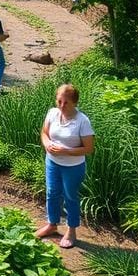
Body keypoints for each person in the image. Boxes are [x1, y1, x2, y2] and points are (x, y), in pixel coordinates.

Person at [35, 84, 95, 249]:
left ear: (75, 103)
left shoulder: (82, 121)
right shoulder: (52, 113)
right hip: (52, 162)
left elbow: (89, 149)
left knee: (70, 197)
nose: (62, 106)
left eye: (66, 103)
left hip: (73, 167)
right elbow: (44, 132)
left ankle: (71, 230)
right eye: (59, 101)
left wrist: (65, 150)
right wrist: (47, 144)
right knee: (51, 193)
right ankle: (52, 224)